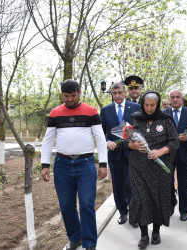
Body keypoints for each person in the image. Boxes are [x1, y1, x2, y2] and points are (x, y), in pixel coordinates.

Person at [40, 79, 107, 250]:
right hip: (62, 165)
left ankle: (90, 243)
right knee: (67, 206)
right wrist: (45, 165)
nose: (69, 99)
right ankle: (75, 237)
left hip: (85, 164)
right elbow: (48, 141)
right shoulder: (55, 113)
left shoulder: (91, 111)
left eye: (73, 95)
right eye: (66, 96)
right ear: (62, 94)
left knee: (86, 205)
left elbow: (100, 139)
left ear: (79, 93)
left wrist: (103, 163)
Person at [127, 91, 179, 249]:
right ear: (142, 103)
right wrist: (132, 145)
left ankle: (156, 232)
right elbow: (125, 140)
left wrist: (161, 151)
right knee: (141, 199)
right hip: (138, 167)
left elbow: (175, 141)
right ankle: (144, 235)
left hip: (159, 167)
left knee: (157, 199)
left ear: (157, 106)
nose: (149, 108)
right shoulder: (135, 118)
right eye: (146, 105)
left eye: (152, 105)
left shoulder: (165, 119)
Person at [100, 81, 140, 226]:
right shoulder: (105, 110)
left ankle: (134, 212)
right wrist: (106, 142)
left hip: (133, 152)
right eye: (114, 93)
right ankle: (123, 212)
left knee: (132, 183)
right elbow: (100, 132)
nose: (117, 96)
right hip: (114, 153)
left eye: (120, 93)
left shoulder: (136, 107)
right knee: (118, 185)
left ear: (125, 92)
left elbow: (141, 128)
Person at [163, 89, 187, 221]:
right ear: (169, 99)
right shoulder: (164, 113)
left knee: (184, 184)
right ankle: (169, 206)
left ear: (182, 98)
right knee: (168, 182)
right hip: (167, 154)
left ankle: (183, 211)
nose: (174, 99)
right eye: (172, 97)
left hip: (184, 154)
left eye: (177, 97)